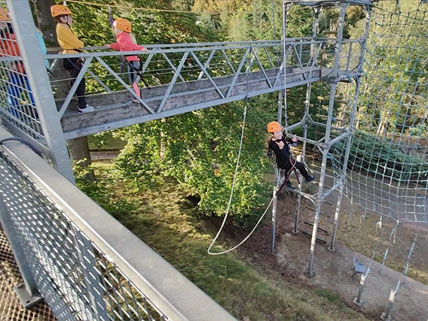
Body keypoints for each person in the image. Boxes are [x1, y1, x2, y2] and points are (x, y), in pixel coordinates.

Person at [51, 4, 94, 114]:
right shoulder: (62, 28)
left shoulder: (64, 28)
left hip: (73, 56)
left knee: (78, 80)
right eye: (69, 16)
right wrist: (81, 43)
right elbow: (77, 43)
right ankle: (82, 105)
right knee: (79, 80)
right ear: (62, 18)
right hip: (72, 57)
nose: (71, 19)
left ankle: (81, 103)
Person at [0, 7, 35, 119]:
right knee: (13, 94)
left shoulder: (14, 35)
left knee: (33, 93)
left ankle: (38, 116)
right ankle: (14, 117)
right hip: (19, 69)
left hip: (26, 68)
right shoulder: (5, 35)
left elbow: (11, 52)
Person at [106, 18, 147, 101]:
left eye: (115, 28)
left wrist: (141, 48)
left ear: (119, 28)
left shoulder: (122, 37)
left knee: (133, 81)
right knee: (133, 80)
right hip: (134, 60)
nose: (114, 30)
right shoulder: (125, 36)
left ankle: (138, 98)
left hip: (132, 61)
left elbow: (130, 46)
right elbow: (121, 46)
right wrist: (111, 46)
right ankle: (138, 97)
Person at [267, 121, 314, 187]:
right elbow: (283, 157)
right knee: (300, 166)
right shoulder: (273, 144)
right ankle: (307, 178)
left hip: (287, 159)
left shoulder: (280, 137)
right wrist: (281, 148)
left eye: (279, 131)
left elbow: (285, 141)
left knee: (288, 170)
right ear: (272, 134)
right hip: (283, 162)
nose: (280, 134)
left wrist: (292, 140)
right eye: (277, 133)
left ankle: (287, 183)